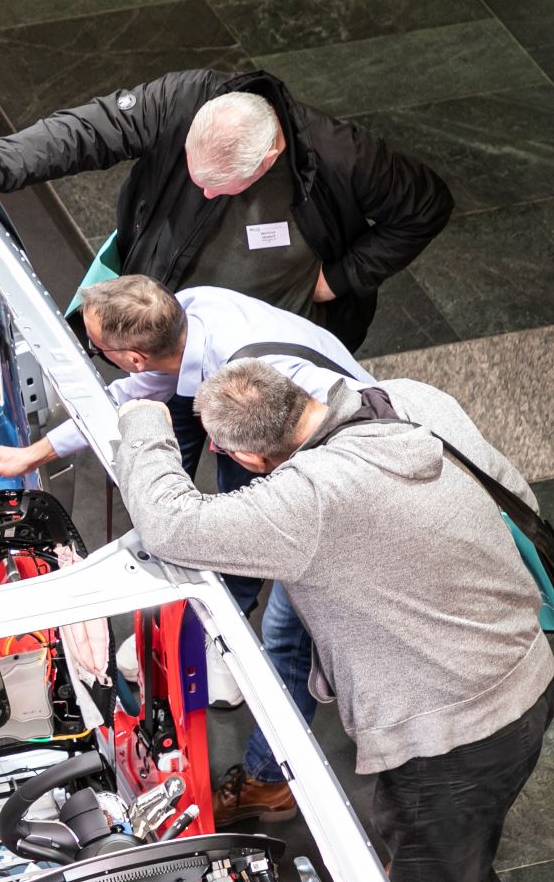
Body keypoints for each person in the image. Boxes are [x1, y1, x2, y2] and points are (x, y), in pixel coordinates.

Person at [115, 360, 553, 882]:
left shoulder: (308, 500)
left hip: (458, 729)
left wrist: (144, 420)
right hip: (526, 658)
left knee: (436, 861)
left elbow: (170, 523)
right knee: (450, 841)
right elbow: (515, 494)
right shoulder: (409, 396)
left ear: (249, 457)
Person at [0, 274, 372, 824]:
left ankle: (268, 782)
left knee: (288, 631)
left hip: (337, 480)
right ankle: (217, 632)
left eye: (100, 351)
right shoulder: (191, 310)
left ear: (134, 356)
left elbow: (322, 471)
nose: (104, 361)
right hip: (289, 445)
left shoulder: (260, 383)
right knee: (234, 548)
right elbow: (129, 397)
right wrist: (33, 454)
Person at [0, 69, 453, 352]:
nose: (199, 191)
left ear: (268, 159)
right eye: (193, 174)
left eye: (217, 187)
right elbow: (88, 130)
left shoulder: (346, 157)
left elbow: (427, 206)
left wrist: (340, 278)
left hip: (263, 358)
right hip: (168, 338)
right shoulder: (183, 100)